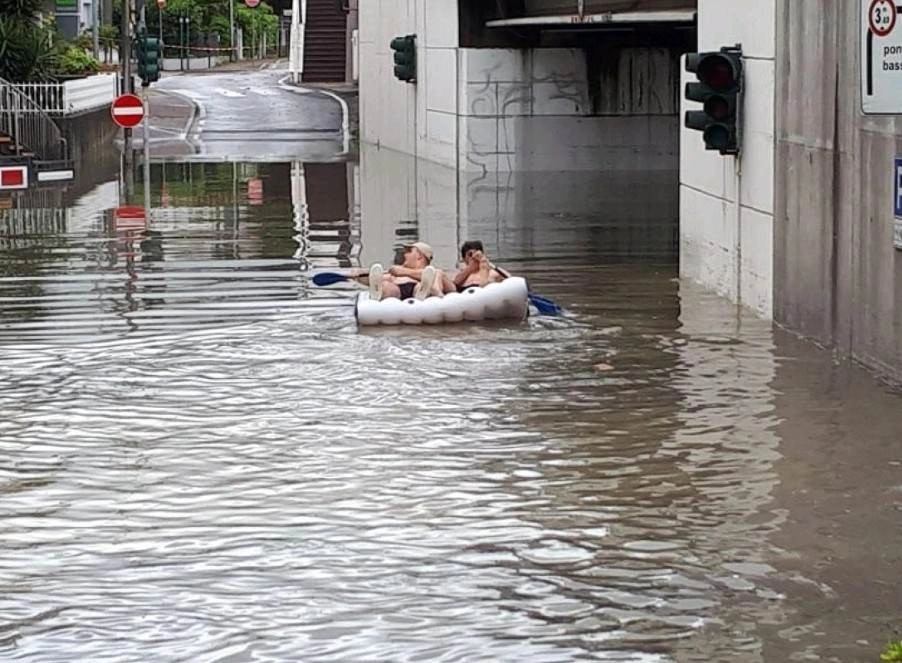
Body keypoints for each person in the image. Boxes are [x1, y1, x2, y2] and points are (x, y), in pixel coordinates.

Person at [353, 241, 451, 301]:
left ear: (420, 256)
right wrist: (361, 275)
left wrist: (403, 272)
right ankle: (378, 294)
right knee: (386, 284)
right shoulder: (396, 272)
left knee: (421, 286)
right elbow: (372, 279)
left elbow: (453, 288)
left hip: (417, 287)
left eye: (409, 252)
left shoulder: (435, 273)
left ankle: (422, 295)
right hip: (397, 289)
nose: (404, 255)